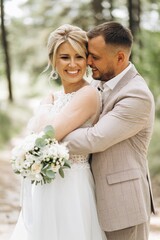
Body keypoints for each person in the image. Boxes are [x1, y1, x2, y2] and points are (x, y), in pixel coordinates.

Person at [54, 22, 155, 240]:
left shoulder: (137, 95)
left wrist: (51, 137)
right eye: (89, 55)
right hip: (90, 198)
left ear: (120, 58)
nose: (88, 62)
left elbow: (94, 139)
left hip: (123, 204)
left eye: (95, 57)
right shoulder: (98, 82)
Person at [9, 24, 107, 240]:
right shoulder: (54, 95)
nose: (73, 64)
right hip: (47, 185)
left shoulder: (88, 94)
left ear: (87, 60)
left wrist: (44, 109)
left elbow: (47, 134)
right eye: (65, 57)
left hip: (73, 187)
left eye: (79, 57)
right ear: (53, 60)